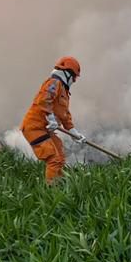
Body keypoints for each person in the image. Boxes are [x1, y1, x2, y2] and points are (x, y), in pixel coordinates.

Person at [20, 56, 86, 184]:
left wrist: (74, 133)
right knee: (54, 159)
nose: (75, 80)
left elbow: (65, 116)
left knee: (60, 156)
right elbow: (45, 99)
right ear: (67, 73)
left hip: (45, 129)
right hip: (34, 128)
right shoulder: (54, 83)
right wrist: (50, 118)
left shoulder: (64, 91)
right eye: (74, 77)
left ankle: (59, 184)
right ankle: (52, 191)